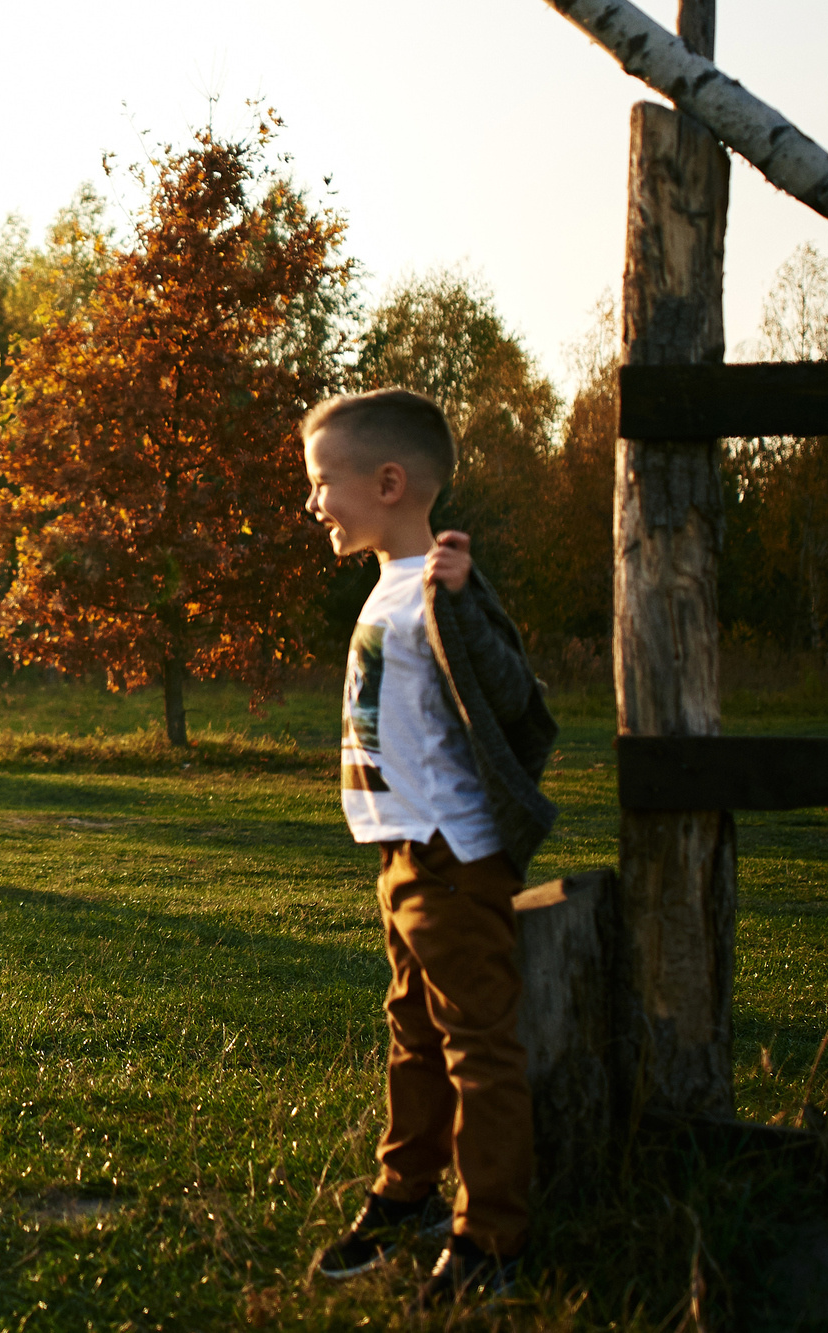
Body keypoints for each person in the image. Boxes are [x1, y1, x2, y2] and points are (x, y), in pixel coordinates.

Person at [297, 389, 558, 1305]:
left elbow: (519, 697)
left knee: (477, 1045)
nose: (314, 502)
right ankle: (405, 1191)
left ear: (390, 481)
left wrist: (465, 597)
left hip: (449, 857)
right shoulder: (390, 584)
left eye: (324, 482)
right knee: (412, 1028)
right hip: (402, 856)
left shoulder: (440, 591)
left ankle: (491, 1238)